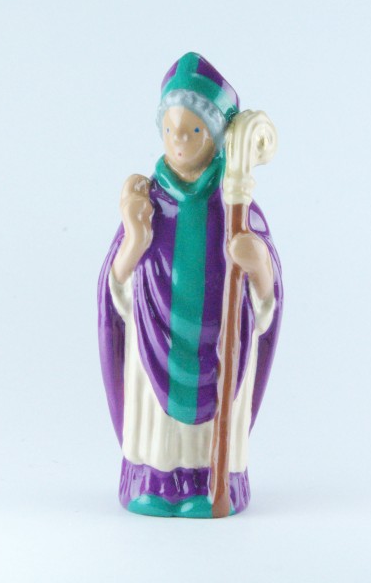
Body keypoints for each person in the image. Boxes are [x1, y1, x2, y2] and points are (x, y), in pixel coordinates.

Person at [98, 52, 283, 517]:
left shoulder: (236, 207)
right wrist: (134, 241)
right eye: (171, 129)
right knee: (157, 429)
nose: (179, 140)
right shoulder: (147, 204)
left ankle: (212, 485)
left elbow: (268, 301)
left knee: (215, 416)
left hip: (218, 349)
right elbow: (115, 294)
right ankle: (155, 483)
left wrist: (257, 263)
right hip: (155, 343)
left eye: (194, 130)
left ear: (216, 136)